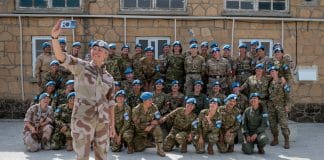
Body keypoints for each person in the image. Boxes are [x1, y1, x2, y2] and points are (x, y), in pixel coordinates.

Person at [51, 20, 116, 160]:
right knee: (82, 156)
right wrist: (54, 38)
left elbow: (111, 104)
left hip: (102, 122)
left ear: (106, 55)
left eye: (100, 50)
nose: (96, 52)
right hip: (82, 119)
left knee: (102, 156)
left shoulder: (109, 78)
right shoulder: (81, 66)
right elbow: (61, 57)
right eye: (94, 48)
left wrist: (112, 126)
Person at [132, 92, 166, 157]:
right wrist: (149, 123)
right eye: (149, 100)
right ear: (144, 101)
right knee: (138, 148)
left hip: (150, 128)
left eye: (152, 99)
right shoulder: (136, 109)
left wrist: (152, 125)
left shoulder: (154, 107)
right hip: (140, 131)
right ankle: (145, 142)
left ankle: (160, 149)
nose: (152, 101)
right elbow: (136, 124)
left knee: (157, 128)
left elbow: (159, 119)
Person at [268, 66, 291, 149]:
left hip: (281, 106)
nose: (272, 73)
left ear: (277, 72)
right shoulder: (270, 82)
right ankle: (275, 139)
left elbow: (287, 94)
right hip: (271, 106)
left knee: (283, 124)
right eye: (271, 72)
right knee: (272, 124)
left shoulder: (282, 81)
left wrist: (287, 105)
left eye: (273, 71)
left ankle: (287, 141)